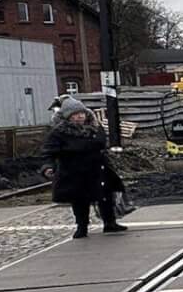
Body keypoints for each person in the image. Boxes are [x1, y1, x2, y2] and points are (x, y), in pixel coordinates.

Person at [41, 99, 126, 237]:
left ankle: (110, 223)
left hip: (98, 168)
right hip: (74, 171)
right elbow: (48, 152)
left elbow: (102, 144)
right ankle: (82, 226)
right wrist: (47, 167)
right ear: (68, 117)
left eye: (82, 113)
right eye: (75, 114)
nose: (80, 116)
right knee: (80, 200)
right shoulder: (59, 133)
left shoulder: (95, 127)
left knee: (105, 196)